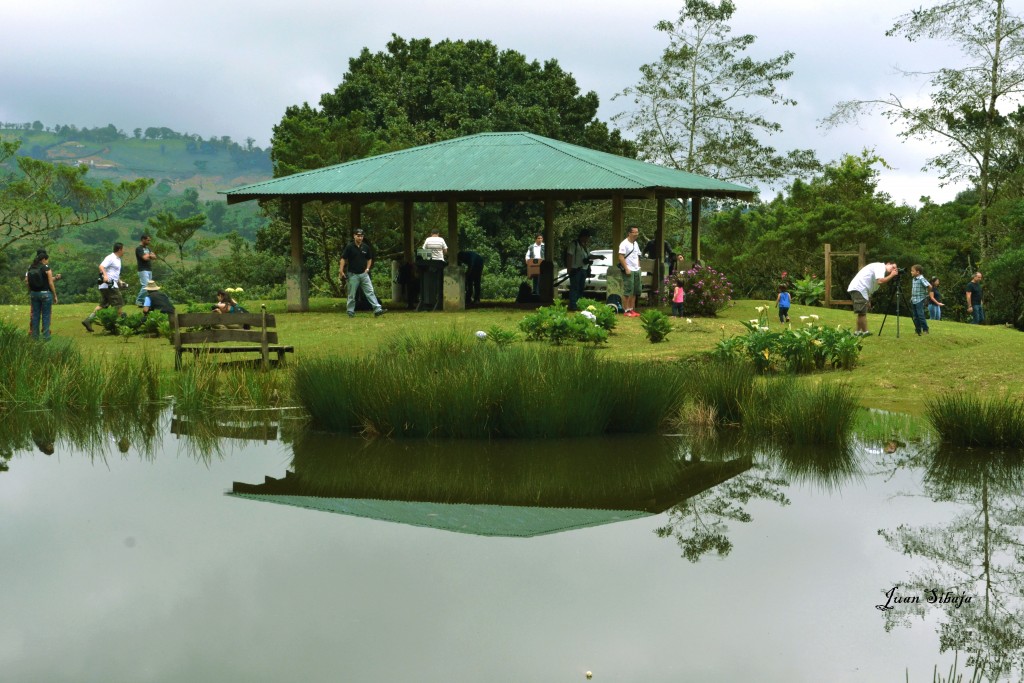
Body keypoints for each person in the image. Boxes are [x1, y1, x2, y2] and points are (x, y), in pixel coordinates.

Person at [339, 228, 386, 318]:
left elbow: (369, 258)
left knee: (370, 292)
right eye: (358, 236)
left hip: (364, 274)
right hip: (353, 274)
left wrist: (367, 269)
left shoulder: (365, 247)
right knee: (352, 294)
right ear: (354, 236)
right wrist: (341, 270)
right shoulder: (349, 247)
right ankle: (350, 312)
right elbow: (343, 258)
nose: (360, 238)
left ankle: (377, 310)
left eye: (361, 236)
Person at [846, 261, 899, 336]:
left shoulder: (880, 270)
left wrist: (868, 299)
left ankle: (857, 332)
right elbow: (880, 281)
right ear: (888, 264)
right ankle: (865, 332)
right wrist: (892, 275)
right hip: (859, 288)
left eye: (895, 269)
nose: (893, 270)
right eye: (893, 267)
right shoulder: (880, 267)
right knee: (862, 313)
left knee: (861, 312)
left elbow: (872, 286)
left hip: (861, 289)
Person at [82, 242, 125, 333]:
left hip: (108, 285)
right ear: (120, 249)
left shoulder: (118, 260)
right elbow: (101, 266)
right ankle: (119, 325)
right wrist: (105, 276)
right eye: (123, 249)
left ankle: (89, 320)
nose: (124, 251)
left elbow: (114, 273)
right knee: (118, 303)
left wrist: (120, 282)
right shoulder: (111, 257)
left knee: (104, 304)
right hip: (109, 285)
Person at [26, 250, 58, 341]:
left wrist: (31, 291)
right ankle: (46, 337)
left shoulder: (31, 267)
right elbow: (50, 283)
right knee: (46, 315)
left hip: (34, 293)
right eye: (47, 260)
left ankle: (34, 337)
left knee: (35, 315)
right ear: (44, 259)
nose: (47, 262)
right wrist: (55, 295)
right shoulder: (46, 268)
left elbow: (27, 281)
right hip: (45, 294)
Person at [565, 228, 593, 311]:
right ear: (583, 236)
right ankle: (573, 305)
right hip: (575, 269)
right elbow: (569, 256)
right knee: (574, 287)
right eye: (586, 237)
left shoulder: (584, 246)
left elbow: (588, 256)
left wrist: (598, 257)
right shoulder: (574, 244)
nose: (587, 239)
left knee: (581, 288)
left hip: (583, 269)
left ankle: (578, 303)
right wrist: (569, 269)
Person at [618, 225, 642, 317]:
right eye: (634, 232)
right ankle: (626, 310)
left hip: (636, 269)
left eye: (637, 232)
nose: (636, 234)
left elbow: (637, 256)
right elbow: (620, 257)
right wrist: (626, 268)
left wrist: (639, 267)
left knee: (635, 291)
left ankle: (632, 309)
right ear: (629, 233)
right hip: (629, 269)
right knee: (628, 290)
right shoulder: (624, 243)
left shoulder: (635, 243)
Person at [909, 264, 932, 336]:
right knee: (915, 316)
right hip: (914, 299)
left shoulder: (921, 279)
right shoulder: (914, 279)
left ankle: (925, 329)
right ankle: (918, 330)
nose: (911, 272)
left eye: (912, 271)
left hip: (920, 299)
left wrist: (926, 294)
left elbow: (929, 286)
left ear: (918, 272)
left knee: (920, 315)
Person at [134, 234, 157, 307]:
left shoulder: (148, 249)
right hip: (142, 269)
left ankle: (145, 302)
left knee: (149, 286)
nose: (149, 241)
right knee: (145, 285)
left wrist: (149, 255)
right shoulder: (139, 249)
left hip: (149, 269)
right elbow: (144, 258)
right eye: (148, 240)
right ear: (143, 240)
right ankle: (139, 300)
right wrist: (149, 255)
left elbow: (154, 257)